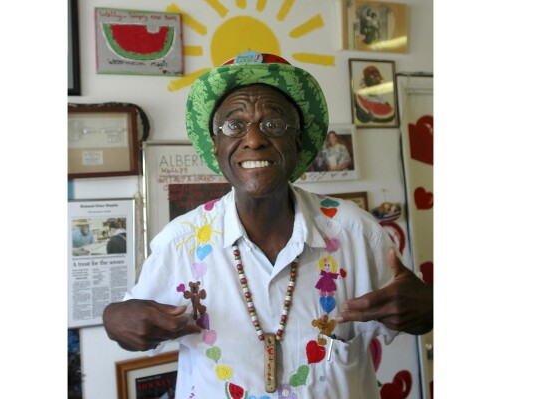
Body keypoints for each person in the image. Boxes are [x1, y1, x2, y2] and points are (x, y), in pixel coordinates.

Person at [103, 51, 433, 398]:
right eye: (234, 125)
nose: (254, 139)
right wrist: (114, 320)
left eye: (274, 124)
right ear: (215, 145)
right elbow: (133, 330)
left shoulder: (356, 233)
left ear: (299, 141)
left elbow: (413, 314)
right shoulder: (181, 243)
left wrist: (430, 309)